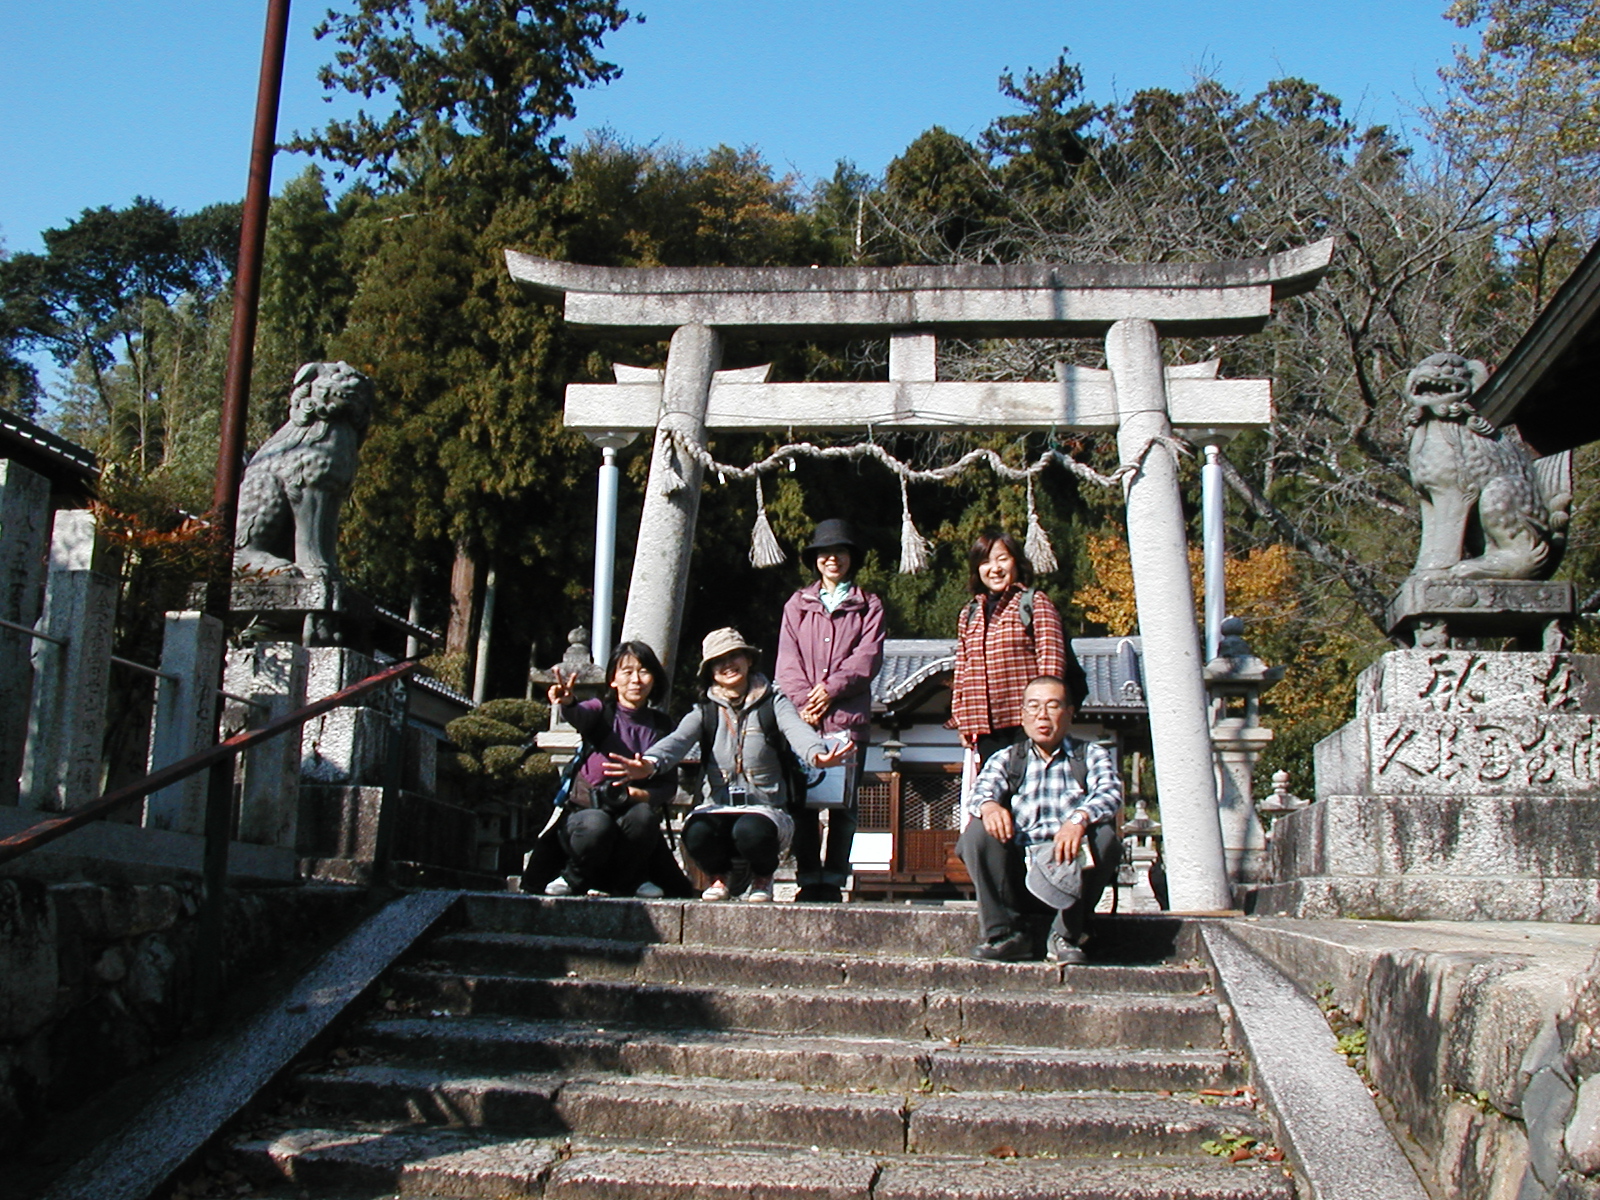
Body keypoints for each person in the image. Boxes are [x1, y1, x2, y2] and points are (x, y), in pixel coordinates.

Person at [608, 628, 852, 903]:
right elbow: (677, 740)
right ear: (710, 672)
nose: (727, 665)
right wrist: (650, 763)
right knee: (696, 832)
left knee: (750, 831)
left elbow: (796, 729)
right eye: (718, 661)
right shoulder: (705, 710)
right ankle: (719, 877)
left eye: (734, 656)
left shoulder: (774, 702)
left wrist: (817, 755)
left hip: (766, 807)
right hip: (717, 805)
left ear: (748, 660)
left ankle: (762, 877)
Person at [956, 674, 1123, 964]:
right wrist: (990, 806)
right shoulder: (1008, 758)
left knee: (1106, 836)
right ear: (1022, 715)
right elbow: (979, 793)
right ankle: (1005, 933)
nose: (1042, 715)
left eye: (1052, 706)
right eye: (1033, 706)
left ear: (1069, 713)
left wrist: (1079, 819)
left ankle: (1067, 935)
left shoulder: (1091, 755)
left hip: (1071, 869)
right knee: (977, 832)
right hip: (1018, 873)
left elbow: (1110, 793)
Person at [775, 519, 886, 902]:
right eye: (824, 552)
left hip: (847, 722)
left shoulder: (869, 604)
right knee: (802, 803)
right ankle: (808, 877)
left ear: (851, 557)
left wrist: (830, 689)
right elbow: (787, 662)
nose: (832, 558)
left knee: (845, 806)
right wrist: (805, 702)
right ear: (815, 559)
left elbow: (867, 657)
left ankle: (835, 878)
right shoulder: (797, 604)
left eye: (839, 551)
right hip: (803, 722)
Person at [543, 640, 693, 899]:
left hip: (632, 813)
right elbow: (579, 714)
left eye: (644, 671)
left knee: (643, 817)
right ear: (613, 679)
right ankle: (573, 878)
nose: (636, 679)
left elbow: (668, 785)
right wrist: (568, 703)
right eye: (627, 671)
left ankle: (631, 882)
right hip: (587, 810)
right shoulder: (600, 711)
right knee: (597, 825)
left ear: (654, 679)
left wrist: (638, 795)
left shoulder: (663, 725)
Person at [950, 530, 1084, 765]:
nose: (995, 568)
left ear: (1016, 562)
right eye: (985, 561)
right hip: (984, 725)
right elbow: (963, 669)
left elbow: (1051, 661)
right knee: (995, 785)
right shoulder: (969, 613)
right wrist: (962, 718)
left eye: (1002, 559)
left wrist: (1045, 711)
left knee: (1031, 783)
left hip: (1027, 720)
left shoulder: (1034, 603)